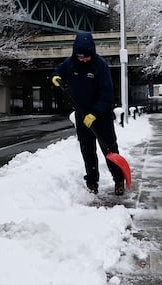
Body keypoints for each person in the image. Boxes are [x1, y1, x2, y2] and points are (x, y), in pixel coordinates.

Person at [50, 32, 125, 195]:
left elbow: (107, 96)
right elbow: (58, 71)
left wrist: (94, 113)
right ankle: (92, 182)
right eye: (80, 57)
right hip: (81, 114)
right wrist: (55, 76)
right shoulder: (70, 64)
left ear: (92, 52)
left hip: (101, 115)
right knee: (87, 149)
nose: (83, 60)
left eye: (86, 57)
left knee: (109, 149)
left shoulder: (100, 66)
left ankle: (119, 180)